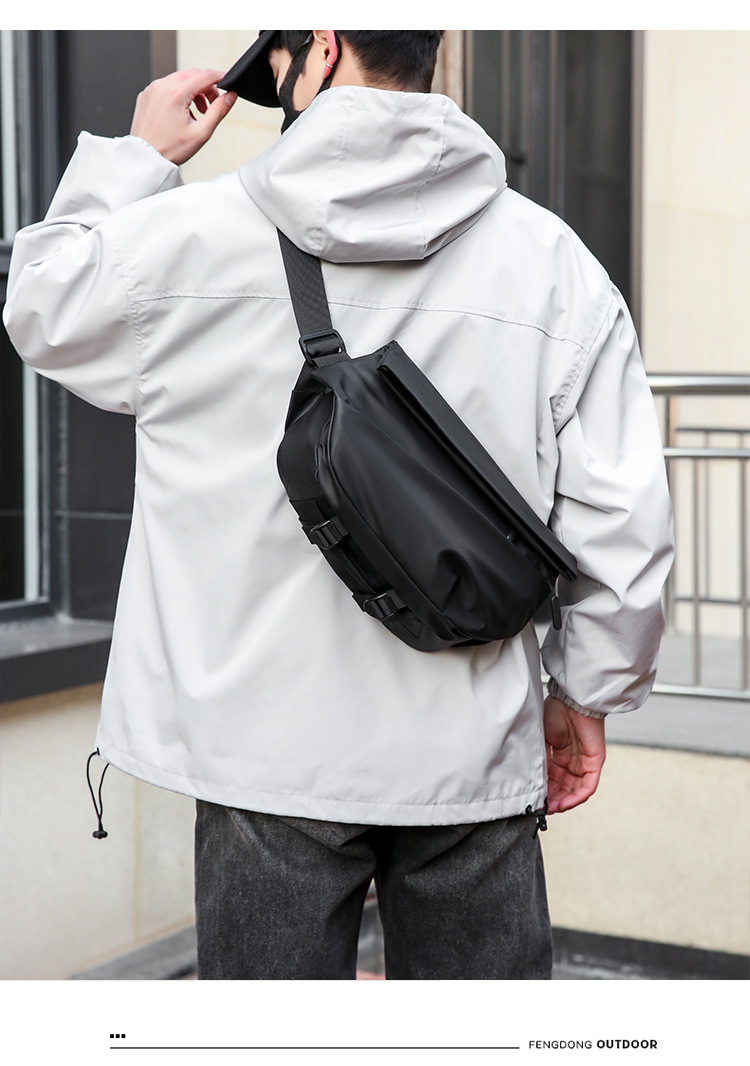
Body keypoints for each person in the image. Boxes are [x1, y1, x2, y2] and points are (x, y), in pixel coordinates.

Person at [3, 30, 674, 980]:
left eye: (276, 61)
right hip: (471, 748)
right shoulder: (553, 261)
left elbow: (40, 306)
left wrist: (138, 157)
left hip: (261, 756)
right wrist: (588, 693)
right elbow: (623, 522)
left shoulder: (186, 238)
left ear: (320, 47)